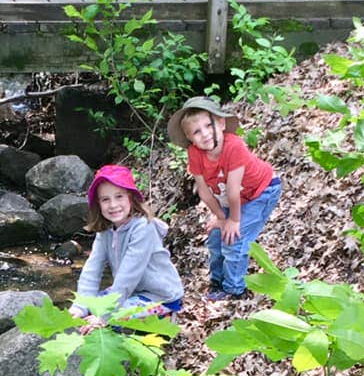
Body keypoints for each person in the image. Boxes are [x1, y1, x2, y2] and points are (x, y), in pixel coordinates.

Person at [167, 95, 282, 302]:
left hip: (260, 192)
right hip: (232, 200)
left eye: (208, 126)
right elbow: (203, 190)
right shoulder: (195, 153)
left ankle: (234, 290)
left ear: (220, 123)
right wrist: (221, 217)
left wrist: (234, 221)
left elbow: (233, 189)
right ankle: (218, 281)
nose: (204, 134)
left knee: (234, 239)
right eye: (196, 132)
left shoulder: (233, 146)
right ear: (189, 138)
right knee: (215, 237)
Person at [69, 164, 184, 333]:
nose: (113, 205)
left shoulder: (143, 228)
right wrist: (81, 305)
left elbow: (128, 277)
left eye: (119, 196)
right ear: (98, 204)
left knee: (111, 319)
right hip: (134, 291)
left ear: (130, 198)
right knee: (92, 306)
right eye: (105, 199)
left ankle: (163, 319)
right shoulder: (106, 230)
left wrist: (104, 316)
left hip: (160, 295)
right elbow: (92, 269)